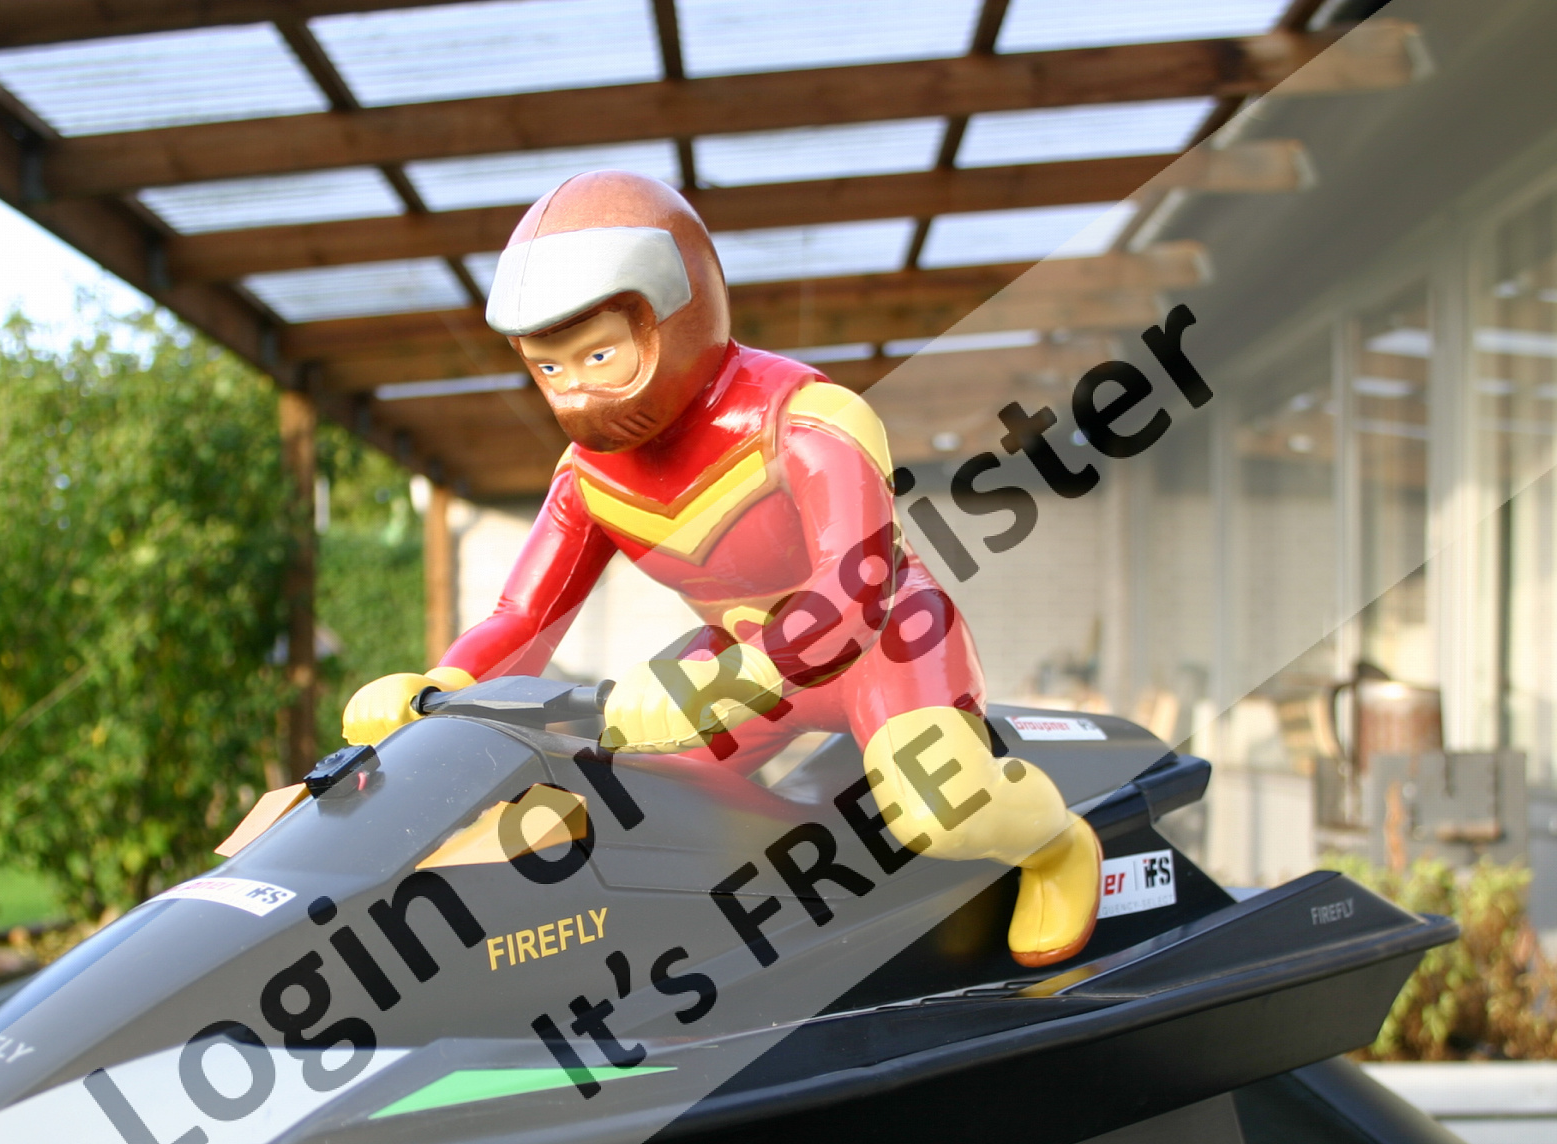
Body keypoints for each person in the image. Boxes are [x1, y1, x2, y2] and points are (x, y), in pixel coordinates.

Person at [342, 172, 1100, 968]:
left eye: (598, 355)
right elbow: (526, 616)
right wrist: (442, 685)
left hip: (886, 643)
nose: (577, 396)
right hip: (733, 662)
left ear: (673, 317)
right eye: (551, 369)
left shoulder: (806, 419)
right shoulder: (585, 479)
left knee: (937, 811)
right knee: (624, 805)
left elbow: (856, 589)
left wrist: (728, 680)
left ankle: (1057, 844)